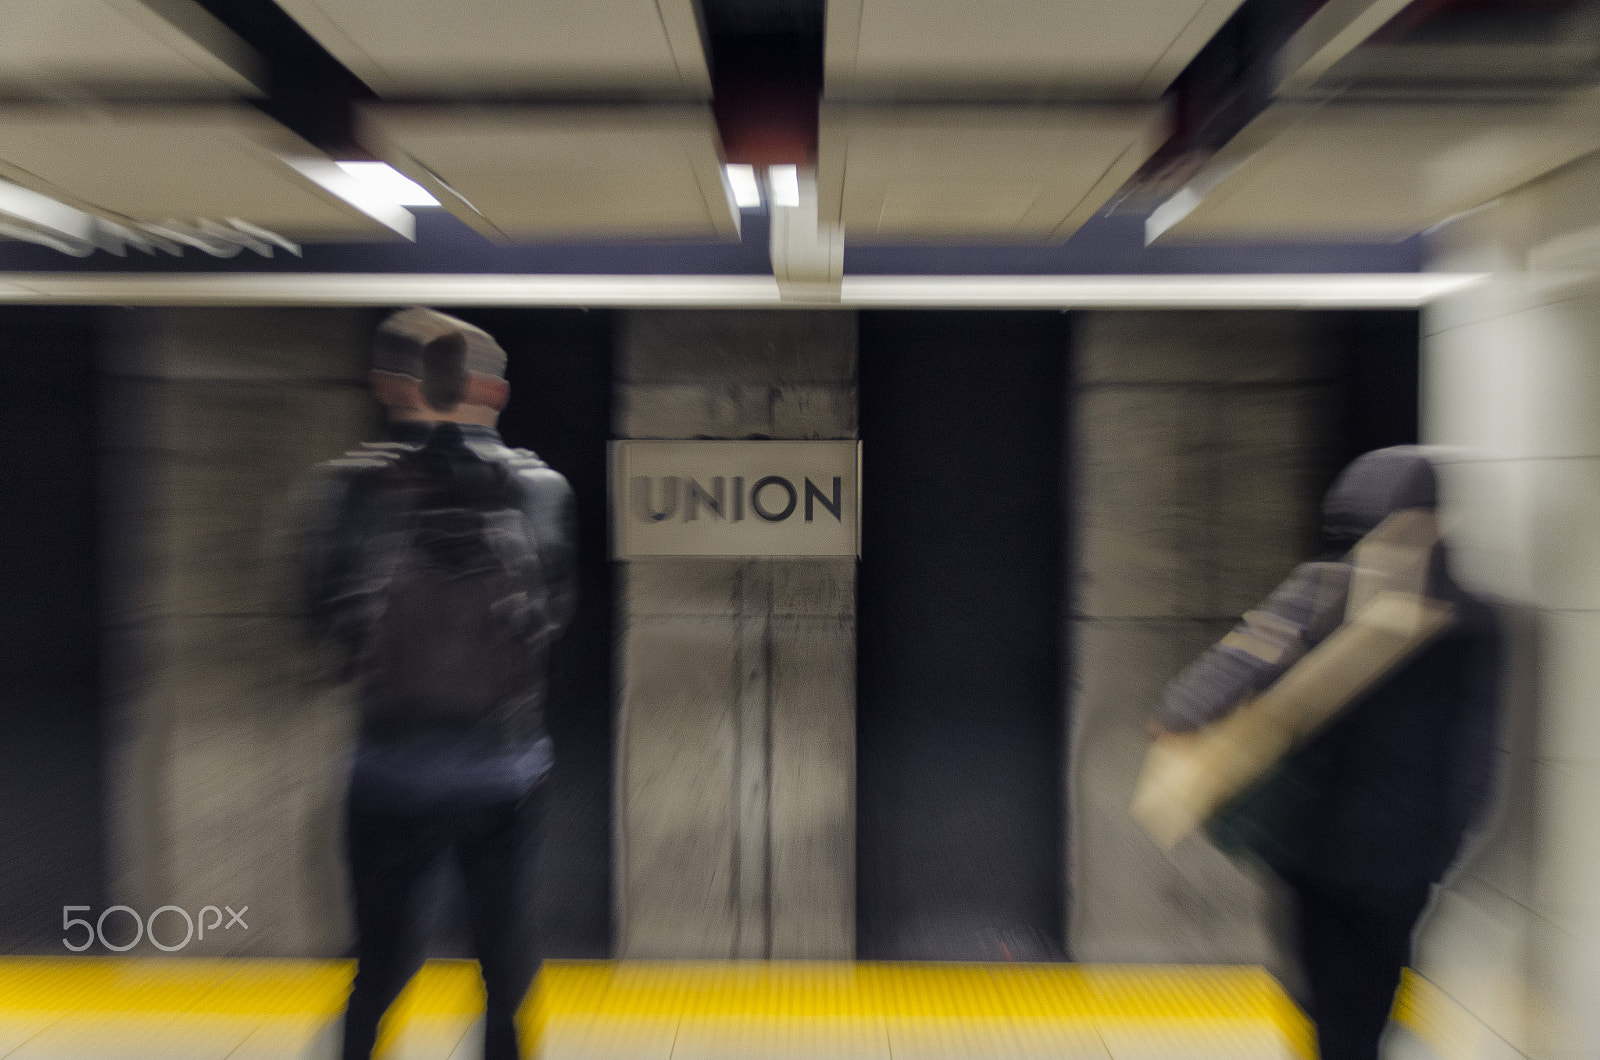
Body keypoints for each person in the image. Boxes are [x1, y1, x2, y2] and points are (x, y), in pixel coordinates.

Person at [288, 308, 577, 1060]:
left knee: (378, 962)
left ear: (390, 386)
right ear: (492, 392)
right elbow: (555, 616)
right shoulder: (540, 489)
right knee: (505, 961)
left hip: (387, 763)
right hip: (503, 766)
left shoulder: (348, 489)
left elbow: (318, 617)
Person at [1150, 447, 1502, 1060]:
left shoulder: (1324, 589)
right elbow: (1474, 751)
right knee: (1369, 995)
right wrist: (1449, 842)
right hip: (1406, 852)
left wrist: (1181, 722)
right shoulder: (1475, 621)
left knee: (1318, 985)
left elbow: (1233, 667)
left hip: (1319, 842)